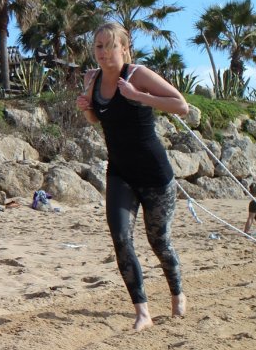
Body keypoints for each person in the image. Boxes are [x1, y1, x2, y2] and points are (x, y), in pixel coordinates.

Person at [76, 22, 190, 331]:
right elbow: (96, 118)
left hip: (154, 173)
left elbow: (181, 105)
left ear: (124, 49)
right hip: (120, 172)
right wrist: (87, 107)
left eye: (110, 45)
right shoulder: (92, 79)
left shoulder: (137, 74)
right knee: (121, 237)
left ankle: (177, 295)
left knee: (159, 242)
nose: (103, 52)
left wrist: (139, 95)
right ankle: (143, 312)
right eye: (98, 46)